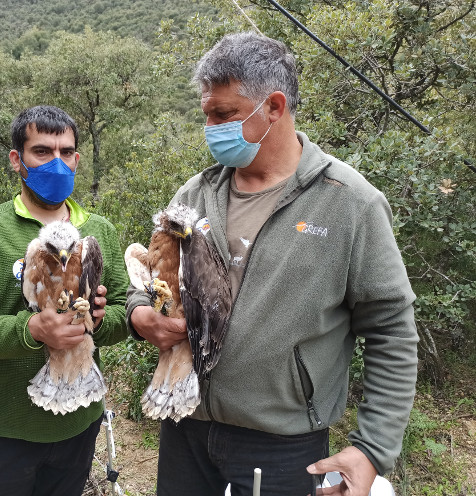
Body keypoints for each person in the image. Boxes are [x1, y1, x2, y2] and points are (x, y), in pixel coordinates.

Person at [126, 32, 418, 496]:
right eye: (207, 115)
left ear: (275, 107)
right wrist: (139, 312)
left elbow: (392, 328)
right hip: (185, 421)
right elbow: (151, 278)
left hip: (283, 443)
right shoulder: (195, 194)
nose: (211, 128)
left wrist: (372, 449)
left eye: (224, 115)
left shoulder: (349, 204)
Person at [0, 105, 129, 496]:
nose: (56, 163)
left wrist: (96, 319)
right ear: (17, 160)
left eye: (66, 152)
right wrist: (33, 330)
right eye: (42, 152)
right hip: (4, 428)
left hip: (79, 421)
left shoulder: (99, 232)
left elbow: (122, 314)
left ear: (77, 159)